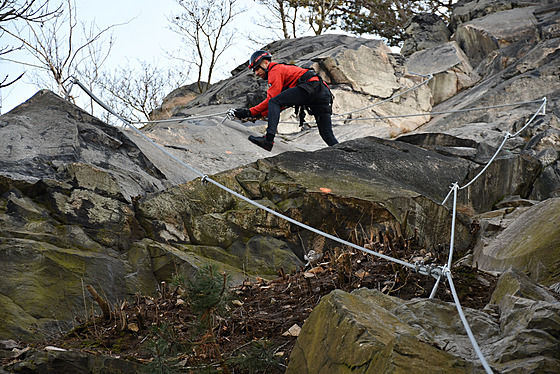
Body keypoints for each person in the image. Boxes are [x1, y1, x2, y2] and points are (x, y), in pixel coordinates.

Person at [233, 50, 338, 151]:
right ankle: (346, 154)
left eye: (257, 69)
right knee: (327, 134)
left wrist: (250, 112)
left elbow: (272, 100)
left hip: (311, 87)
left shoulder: (275, 70)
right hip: (322, 92)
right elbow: (281, 105)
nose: (256, 73)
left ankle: (268, 140)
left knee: (274, 101)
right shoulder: (283, 71)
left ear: (265, 63)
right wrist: (257, 115)